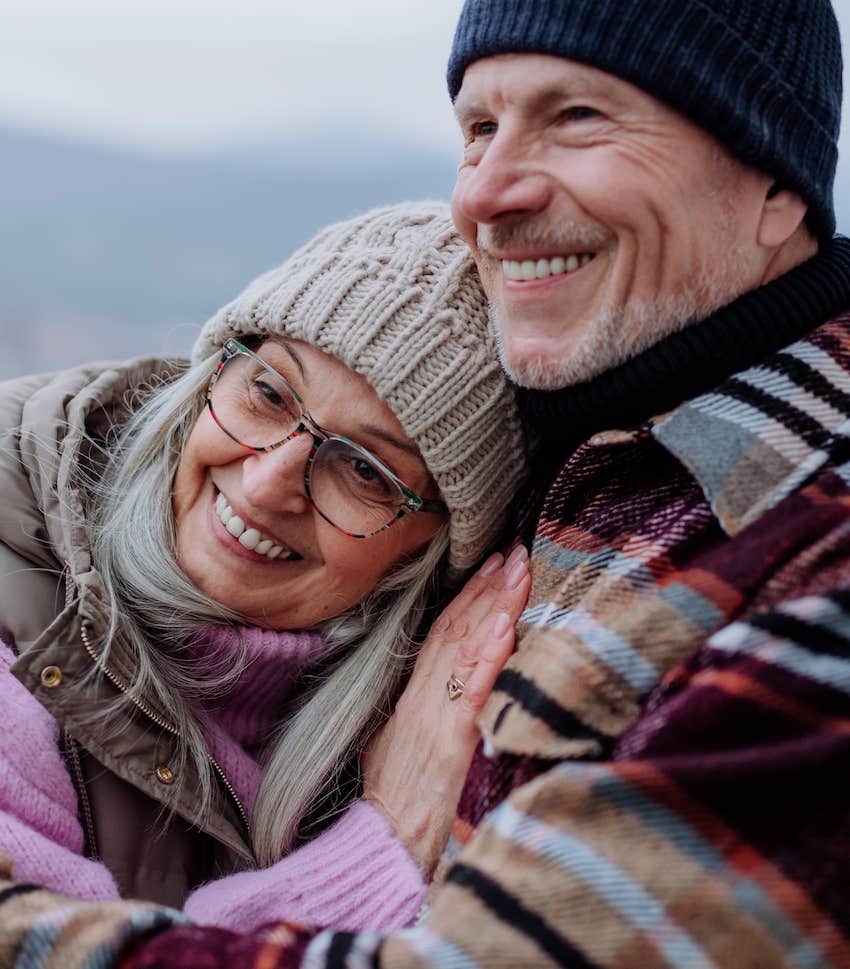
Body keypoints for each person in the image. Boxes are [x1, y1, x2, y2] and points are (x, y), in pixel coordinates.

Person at [4, 0, 850, 966]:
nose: (485, 193)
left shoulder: (808, 555)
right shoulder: (605, 465)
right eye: (478, 127)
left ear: (777, 183)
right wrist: (382, 841)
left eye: (578, 115)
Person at [0, 202, 530, 932]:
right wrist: (384, 842)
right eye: (270, 392)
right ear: (214, 372)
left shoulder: (425, 709)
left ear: (430, 548)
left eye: (364, 469)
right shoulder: (18, 638)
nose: (267, 482)